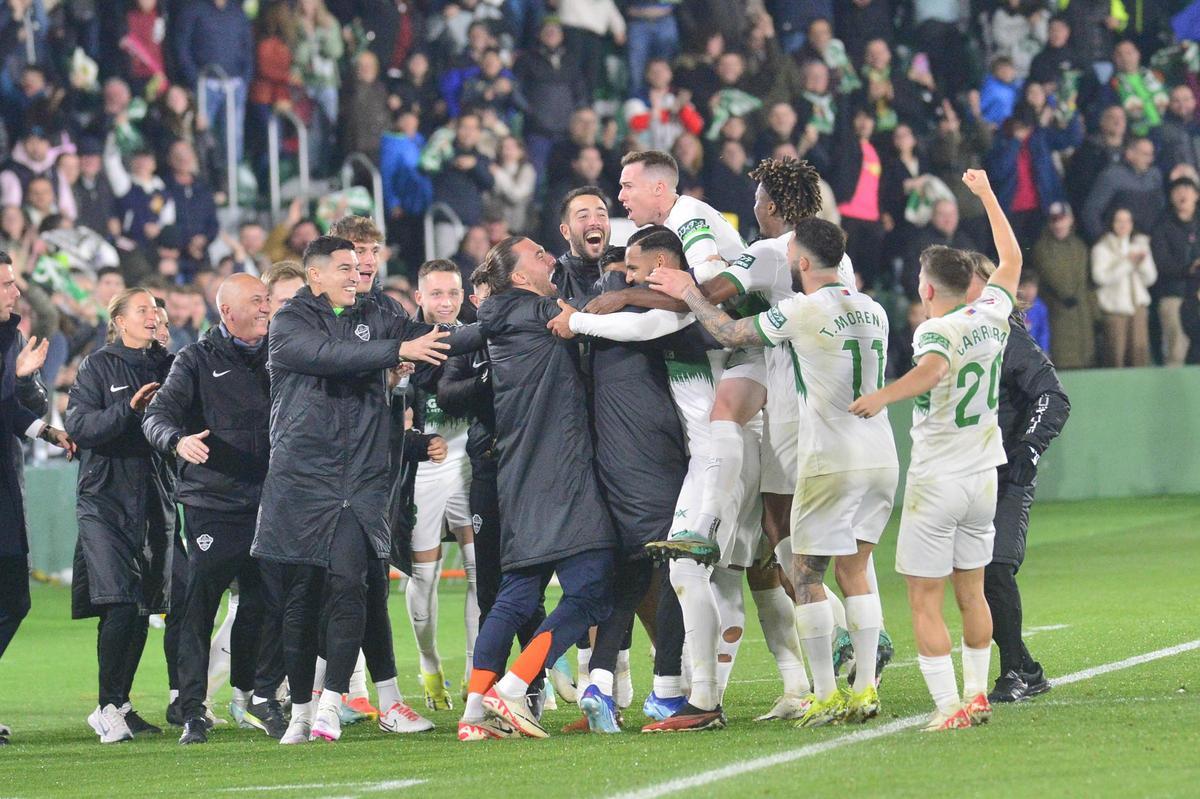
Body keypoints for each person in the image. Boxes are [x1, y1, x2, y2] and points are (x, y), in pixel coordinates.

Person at [648, 215, 898, 728]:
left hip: (830, 456)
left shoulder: (800, 310)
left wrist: (687, 290)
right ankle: (867, 687)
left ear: (803, 262)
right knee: (855, 572)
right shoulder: (874, 309)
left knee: (804, 573)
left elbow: (729, 330)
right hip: (882, 454)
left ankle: (826, 693)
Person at [252, 236, 466, 745]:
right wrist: (395, 352)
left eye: (360, 266)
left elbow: (434, 336)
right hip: (304, 475)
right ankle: (301, 711)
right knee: (301, 600)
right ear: (316, 275)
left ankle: (330, 705)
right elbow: (327, 355)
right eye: (345, 267)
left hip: (361, 479)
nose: (357, 274)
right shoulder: (289, 321)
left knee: (351, 583)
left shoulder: (380, 312)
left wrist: (501, 320)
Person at [847, 168, 1021, 731]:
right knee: (973, 592)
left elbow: (932, 372)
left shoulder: (935, 332)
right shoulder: (992, 313)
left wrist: (882, 396)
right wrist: (988, 196)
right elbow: (1012, 258)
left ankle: (949, 708)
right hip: (983, 476)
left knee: (924, 598)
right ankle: (976, 694)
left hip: (939, 478)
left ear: (926, 289)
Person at [458, 237, 615, 741]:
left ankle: (473, 712)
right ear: (521, 277)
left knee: (516, 594)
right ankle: (516, 682)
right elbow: (593, 320)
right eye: (539, 255)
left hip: (518, 474)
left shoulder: (498, 315)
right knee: (593, 592)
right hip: (562, 474)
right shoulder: (542, 311)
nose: (550, 258)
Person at [545, 192, 690, 733]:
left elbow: (644, 323)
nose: (621, 280)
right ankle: (668, 690)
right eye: (622, 271)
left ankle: (601, 683)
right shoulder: (629, 309)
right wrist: (587, 315)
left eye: (632, 271)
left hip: (623, 453)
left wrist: (581, 319)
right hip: (648, 455)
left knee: (629, 574)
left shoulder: (646, 309)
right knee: (675, 569)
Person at [141, 275, 281, 745]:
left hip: (271, 502)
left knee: (267, 604)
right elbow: (157, 417)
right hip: (213, 504)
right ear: (227, 312)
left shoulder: (281, 354)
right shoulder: (195, 360)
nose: (266, 308)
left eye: (267, 300)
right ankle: (192, 706)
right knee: (198, 607)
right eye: (257, 302)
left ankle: (260, 696)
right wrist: (177, 441)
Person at [66, 287, 175, 744]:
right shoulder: (97, 366)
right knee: (119, 601)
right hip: (104, 499)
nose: (153, 317)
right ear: (120, 321)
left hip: (154, 498)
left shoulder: (170, 365)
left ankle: (121, 703)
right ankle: (106, 706)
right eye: (143, 310)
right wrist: (128, 411)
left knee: (142, 606)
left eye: (155, 310)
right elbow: (79, 427)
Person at [962, 254, 1070, 704]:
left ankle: (1012, 675)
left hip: (1008, 471)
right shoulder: (949, 337)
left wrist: (1028, 446)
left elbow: (1052, 396)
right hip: (967, 471)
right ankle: (1026, 665)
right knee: (974, 575)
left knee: (996, 567)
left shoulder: (1009, 337)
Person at [0, 252, 75, 746]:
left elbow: (21, 406)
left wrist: (26, 380)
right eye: (6, 283)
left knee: (14, 597)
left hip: (5, 483)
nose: (14, 291)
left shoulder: (11, 334)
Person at [405, 259, 478, 710]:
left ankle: (477, 676)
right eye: (436, 294)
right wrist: (411, 437)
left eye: (452, 292)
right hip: (426, 471)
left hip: (469, 463)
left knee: (479, 572)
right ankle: (429, 663)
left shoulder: (474, 338)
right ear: (419, 298)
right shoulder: (404, 345)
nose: (446, 302)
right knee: (424, 581)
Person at [1031, 203, 1095, 369]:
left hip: (1082, 318)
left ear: (1070, 220)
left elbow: (1085, 283)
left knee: (1085, 363)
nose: (1058, 224)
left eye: (1062, 219)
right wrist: (1066, 295)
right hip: (1058, 315)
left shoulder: (1079, 246)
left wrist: (1095, 313)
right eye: (1054, 220)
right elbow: (1055, 278)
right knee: (1063, 362)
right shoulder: (1043, 248)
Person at [1091, 207, 1156, 367]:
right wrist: (1128, 263)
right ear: (1111, 223)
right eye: (1119, 220)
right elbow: (1100, 277)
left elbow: (1150, 278)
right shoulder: (1101, 248)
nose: (1123, 225)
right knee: (1115, 356)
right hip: (1115, 311)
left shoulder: (1139, 246)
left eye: (1127, 221)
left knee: (1139, 356)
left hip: (1138, 308)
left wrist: (1140, 263)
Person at [1150, 177, 1200, 367]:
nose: (1183, 194)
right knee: (1175, 352)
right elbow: (1161, 263)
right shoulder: (1163, 226)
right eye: (1177, 190)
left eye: (1188, 189)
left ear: (1196, 195)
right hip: (1174, 295)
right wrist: (1190, 268)